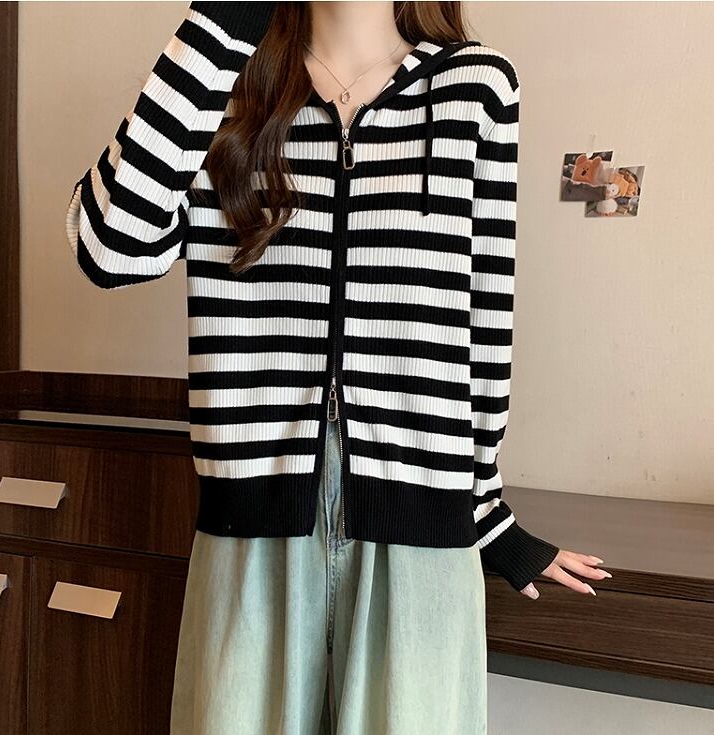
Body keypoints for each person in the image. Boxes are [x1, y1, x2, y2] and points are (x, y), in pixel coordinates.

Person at [65, 2, 611, 733]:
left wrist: (484, 510)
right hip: (252, 530)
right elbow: (110, 249)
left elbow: (485, 316)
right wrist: (224, 18)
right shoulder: (223, 82)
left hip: (418, 537)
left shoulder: (476, 86)